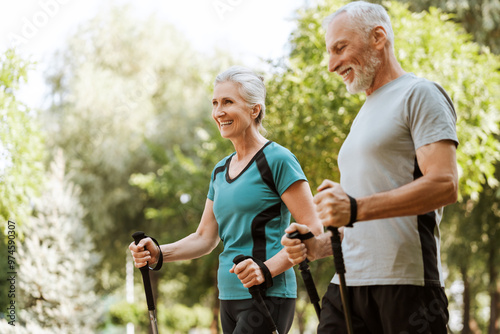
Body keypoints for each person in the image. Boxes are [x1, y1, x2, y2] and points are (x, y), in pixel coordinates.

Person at [281, 2, 459, 333]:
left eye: (340, 48)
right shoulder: (363, 115)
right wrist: (316, 245)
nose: (332, 65)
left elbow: (445, 184)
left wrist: (355, 207)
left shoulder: (419, 94)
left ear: (378, 37)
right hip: (347, 283)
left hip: (406, 285)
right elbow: (356, 219)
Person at [129, 66, 322, 334]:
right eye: (215, 103)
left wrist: (265, 270)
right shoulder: (220, 171)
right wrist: (159, 253)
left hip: (268, 294)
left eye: (228, 102)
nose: (218, 112)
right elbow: (205, 238)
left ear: (255, 110)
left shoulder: (277, 160)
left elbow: (313, 228)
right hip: (228, 299)